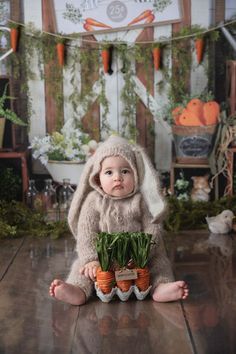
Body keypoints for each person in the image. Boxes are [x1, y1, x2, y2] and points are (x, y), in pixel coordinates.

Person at [49, 136, 189, 305]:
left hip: (138, 260)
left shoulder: (142, 201)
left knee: (160, 264)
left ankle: (162, 287)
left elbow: (153, 230)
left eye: (125, 171)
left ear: (136, 173)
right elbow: (87, 233)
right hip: (103, 261)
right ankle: (78, 290)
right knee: (81, 268)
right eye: (109, 172)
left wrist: (141, 255)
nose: (118, 178)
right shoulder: (93, 201)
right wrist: (92, 259)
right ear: (97, 177)